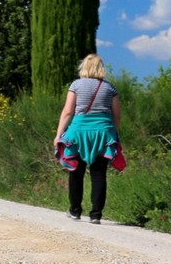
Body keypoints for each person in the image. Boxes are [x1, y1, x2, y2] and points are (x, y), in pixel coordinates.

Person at [52, 54, 123, 224]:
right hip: (103, 133)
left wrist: (58, 134)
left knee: (76, 171)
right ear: (101, 68)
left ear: (84, 67)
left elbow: (68, 111)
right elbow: (117, 115)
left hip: (79, 133)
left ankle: (75, 210)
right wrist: (113, 133)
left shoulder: (76, 85)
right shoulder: (110, 88)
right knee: (99, 174)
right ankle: (96, 215)